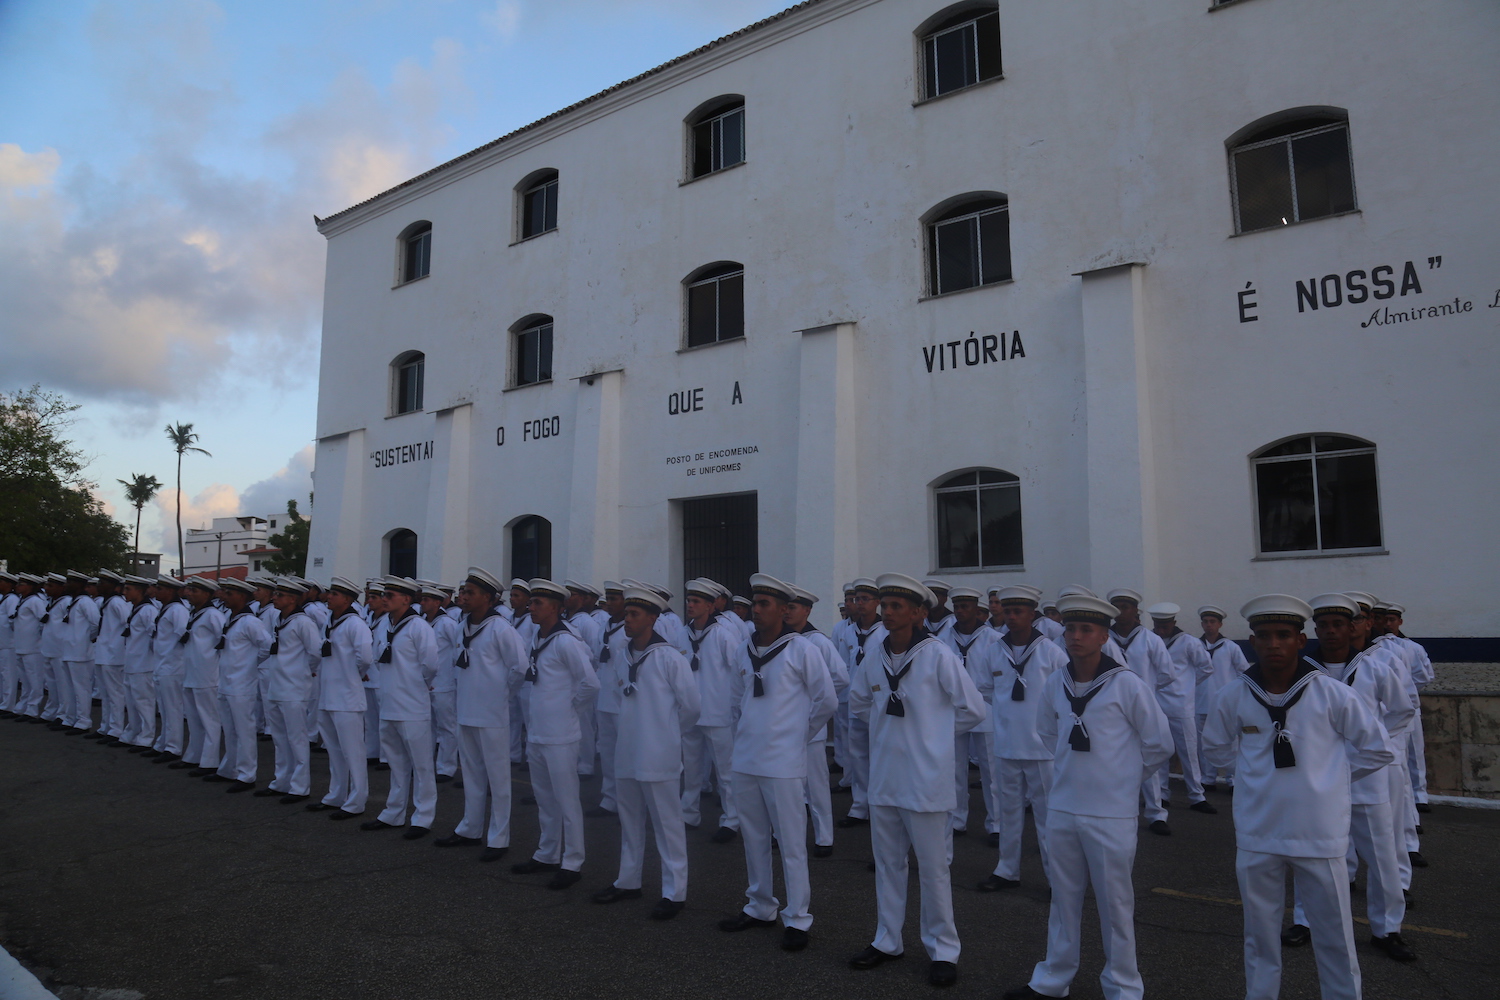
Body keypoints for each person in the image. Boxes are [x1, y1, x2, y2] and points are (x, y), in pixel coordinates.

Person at [1201, 595, 1394, 1000]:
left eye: (1284, 635)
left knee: (1334, 936)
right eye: (1265, 636)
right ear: (1252, 642)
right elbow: (1215, 751)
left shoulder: (1331, 693)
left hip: (1318, 832)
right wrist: (1255, 778)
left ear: (1301, 641)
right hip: (1258, 832)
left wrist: (1333, 779)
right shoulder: (1233, 695)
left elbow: (1377, 748)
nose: (1274, 644)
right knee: (1259, 937)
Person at [1003, 594, 1172, 1000]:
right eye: (1070, 629)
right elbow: (1047, 734)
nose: (1076, 637)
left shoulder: (1126, 684)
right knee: (1063, 900)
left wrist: (1123, 780)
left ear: (1103, 637)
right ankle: (1052, 980)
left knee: (1115, 906)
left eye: (1086, 630)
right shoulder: (1056, 682)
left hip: (1110, 812)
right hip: (1064, 805)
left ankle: (1123, 988)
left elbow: (1159, 744)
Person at [848, 574, 984, 988]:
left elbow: (973, 709)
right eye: (884, 605)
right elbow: (857, 703)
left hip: (926, 780)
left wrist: (934, 736)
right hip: (886, 777)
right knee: (888, 865)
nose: (887, 612)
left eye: (895, 606)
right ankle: (887, 939)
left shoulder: (936, 654)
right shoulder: (875, 652)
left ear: (919, 612)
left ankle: (943, 950)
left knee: (932, 868)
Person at [1283, 594, 1416, 963]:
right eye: (1323, 625)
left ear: (1354, 627)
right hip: (1318, 781)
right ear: (1314, 631)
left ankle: (1386, 929)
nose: (1330, 631)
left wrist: (1372, 743)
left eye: (1338, 624)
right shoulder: (1301, 672)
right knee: (1312, 852)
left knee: (1381, 856)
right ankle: (1305, 921)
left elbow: (1403, 709)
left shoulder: (1374, 668)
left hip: (1367, 778)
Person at [717, 574, 836, 953]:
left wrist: (797, 735)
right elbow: (736, 700)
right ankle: (760, 905)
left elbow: (827, 701)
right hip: (747, 758)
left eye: (765, 603)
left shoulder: (802, 649)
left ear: (785, 610)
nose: (756, 608)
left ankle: (797, 917)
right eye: (755, 602)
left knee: (790, 843)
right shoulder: (743, 648)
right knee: (753, 838)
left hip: (783, 762)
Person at [592, 585, 700, 918]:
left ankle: (675, 891)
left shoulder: (669, 657)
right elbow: (618, 694)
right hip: (627, 751)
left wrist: (667, 734)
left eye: (635, 614)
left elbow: (692, 708)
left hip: (658, 754)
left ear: (652, 618)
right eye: (626, 613)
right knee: (630, 820)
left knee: (667, 824)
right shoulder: (623, 652)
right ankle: (628, 881)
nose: (627, 619)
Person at [976, 585, 1068, 891]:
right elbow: (986, 690)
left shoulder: (1051, 652)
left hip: (1041, 748)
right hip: (1006, 744)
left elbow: (1063, 696)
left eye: (1019, 612)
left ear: (1032, 615)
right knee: (1009, 811)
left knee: (1047, 816)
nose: (1012, 617)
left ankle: (1057, 877)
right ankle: (1007, 870)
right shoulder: (994, 651)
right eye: (1007, 611)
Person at [509, 578, 599, 888]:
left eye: (537, 603)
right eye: (531, 602)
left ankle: (573, 861)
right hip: (538, 732)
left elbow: (590, 683)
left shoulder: (565, 641)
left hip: (561, 734)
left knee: (567, 800)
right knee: (545, 799)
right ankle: (546, 853)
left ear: (557, 608)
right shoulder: (538, 635)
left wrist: (570, 708)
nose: (531, 608)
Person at [434, 567, 527, 859]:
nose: (463, 596)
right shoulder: (463, 625)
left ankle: (498, 839)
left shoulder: (501, 628)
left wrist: (501, 695)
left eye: (470, 593)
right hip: (466, 711)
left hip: (491, 714)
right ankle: (469, 829)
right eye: (463, 591)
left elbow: (519, 668)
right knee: (473, 775)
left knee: (498, 780)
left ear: (487, 597)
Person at [361, 576, 440, 838]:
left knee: (422, 765)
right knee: (396, 764)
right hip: (389, 703)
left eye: (391, 594)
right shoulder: (385, 624)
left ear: (407, 599)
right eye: (384, 594)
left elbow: (430, 665)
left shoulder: (419, 627)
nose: (384, 598)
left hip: (412, 705)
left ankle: (423, 817)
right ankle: (393, 813)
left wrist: (417, 686)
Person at [1105, 588, 1181, 836]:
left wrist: (1144, 692)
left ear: (1136, 610)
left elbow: (1167, 674)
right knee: (1112, 759)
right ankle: (1115, 807)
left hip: (1143, 708)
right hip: (1112, 707)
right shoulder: (1104, 638)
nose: (1120, 612)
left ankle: (1156, 813)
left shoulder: (1150, 639)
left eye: (1126, 606)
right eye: (1116, 607)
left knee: (1149, 758)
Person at [677, 578, 743, 841]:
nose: (690, 605)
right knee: (692, 770)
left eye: (696, 602)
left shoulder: (723, 635)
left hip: (718, 712)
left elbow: (739, 671)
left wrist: (735, 707)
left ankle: (731, 820)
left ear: (709, 606)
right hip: (690, 712)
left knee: (725, 772)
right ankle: (688, 814)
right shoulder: (682, 633)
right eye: (689, 601)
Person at [786, 584, 848, 858]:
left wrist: (816, 701)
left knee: (817, 785)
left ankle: (824, 836)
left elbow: (840, 678)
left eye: (793, 607)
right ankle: (783, 833)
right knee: (786, 786)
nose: (787, 612)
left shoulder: (818, 641)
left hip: (811, 725)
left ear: (807, 610)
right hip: (783, 727)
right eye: (785, 607)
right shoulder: (777, 639)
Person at [309, 577, 374, 819]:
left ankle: (357, 800)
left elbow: (365, 657)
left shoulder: (355, 624)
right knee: (334, 751)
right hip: (328, 694)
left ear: (347, 599)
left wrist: (353, 676)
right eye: (330, 593)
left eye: (334, 594)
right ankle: (336, 795)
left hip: (347, 697)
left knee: (353, 751)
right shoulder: (329, 621)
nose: (329, 597)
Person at [252, 578, 322, 803]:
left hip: (294, 687)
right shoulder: (280, 619)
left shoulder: (303, 622)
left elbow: (315, 653)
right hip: (277, 685)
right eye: (275, 594)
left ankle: (300, 787)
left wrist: (303, 672)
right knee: (280, 738)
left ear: (293, 598)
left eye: (279, 595)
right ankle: (281, 781)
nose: (274, 598)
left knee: (297, 738)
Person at [937, 586, 998, 841]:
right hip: (954, 708)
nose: (961, 611)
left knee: (991, 771)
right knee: (954, 768)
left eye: (966, 607)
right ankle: (957, 818)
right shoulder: (944, 637)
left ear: (977, 609)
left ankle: (996, 823)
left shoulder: (993, 638)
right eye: (957, 607)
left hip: (986, 708)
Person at [1145, 602, 1216, 815]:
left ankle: (1197, 795)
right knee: (1160, 750)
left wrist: (1187, 686)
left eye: (1165, 625)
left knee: (1188, 751)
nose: (1161, 628)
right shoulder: (1150, 640)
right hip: (1155, 702)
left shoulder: (1188, 642)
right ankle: (1162, 795)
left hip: (1181, 705)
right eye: (1157, 624)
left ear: (1174, 623)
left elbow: (1206, 667)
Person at [209, 578, 271, 792]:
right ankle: (229, 769)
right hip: (226, 681)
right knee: (230, 728)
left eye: (229, 593)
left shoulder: (250, 622)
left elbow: (267, 646)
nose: (224, 596)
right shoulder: (230, 617)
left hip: (242, 683)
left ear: (242, 596)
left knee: (244, 730)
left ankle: (246, 774)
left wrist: (250, 665)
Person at [834, 578, 884, 828]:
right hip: (856, 701)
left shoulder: (885, 630)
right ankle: (859, 805)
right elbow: (843, 666)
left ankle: (880, 803)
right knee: (858, 755)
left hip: (879, 703)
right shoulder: (847, 631)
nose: (859, 604)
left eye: (865, 599)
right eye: (856, 599)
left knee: (880, 755)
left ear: (877, 603)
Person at [1196, 605, 1250, 791]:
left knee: (1230, 742)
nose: (1209, 625)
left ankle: (1233, 779)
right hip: (1200, 702)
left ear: (1220, 624)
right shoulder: (1195, 646)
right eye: (1205, 622)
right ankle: (1208, 778)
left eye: (1212, 622)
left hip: (1225, 704)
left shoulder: (1230, 647)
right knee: (1203, 744)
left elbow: (1244, 672)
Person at [586, 581, 627, 818]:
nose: (610, 604)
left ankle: (628, 803)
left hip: (622, 699)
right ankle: (610, 798)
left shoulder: (629, 628)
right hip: (605, 695)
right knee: (609, 753)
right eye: (608, 599)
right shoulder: (605, 626)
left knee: (626, 753)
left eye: (615, 599)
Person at [180, 577, 227, 776]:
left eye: (195, 591)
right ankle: (194, 756)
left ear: (207, 594)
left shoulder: (213, 615)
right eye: (189, 589)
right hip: (192, 671)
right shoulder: (196, 613)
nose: (189, 593)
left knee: (209, 719)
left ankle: (209, 761)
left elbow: (222, 641)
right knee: (193, 718)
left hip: (207, 674)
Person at [421, 584, 462, 783]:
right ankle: (427, 766)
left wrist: (455, 677)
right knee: (427, 726)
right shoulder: (422, 622)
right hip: (425, 682)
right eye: (422, 599)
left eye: (427, 600)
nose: (423, 603)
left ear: (438, 602)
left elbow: (458, 650)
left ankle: (446, 767)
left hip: (444, 682)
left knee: (447, 726)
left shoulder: (447, 623)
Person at [151, 575, 190, 765]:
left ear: (171, 591)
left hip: (173, 665)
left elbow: (184, 635)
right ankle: (163, 743)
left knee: (173, 708)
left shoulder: (177, 610)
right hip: (162, 664)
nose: (156, 591)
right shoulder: (166, 609)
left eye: (160, 588)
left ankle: (173, 747)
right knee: (164, 708)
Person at [118, 576, 160, 752]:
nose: (124, 592)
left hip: (143, 664)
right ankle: (132, 733)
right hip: (132, 662)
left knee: (144, 702)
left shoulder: (148, 611)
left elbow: (154, 636)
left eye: (128, 589)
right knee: (132, 702)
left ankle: (146, 737)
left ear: (139, 591)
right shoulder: (136, 608)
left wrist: (148, 657)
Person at [59, 570, 102, 734]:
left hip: (80, 652)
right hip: (69, 651)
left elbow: (96, 624)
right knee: (69, 688)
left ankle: (84, 721)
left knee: (81, 689)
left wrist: (86, 640)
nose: (66, 585)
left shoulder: (86, 602)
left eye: (70, 582)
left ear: (79, 585)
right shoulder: (75, 601)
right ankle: (70, 718)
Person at [92, 570, 130, 744]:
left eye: (103, 582)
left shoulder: (117, 602)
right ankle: (105, 726)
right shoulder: (108, 602)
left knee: (115, 694)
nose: (99, 585)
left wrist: (118, 646)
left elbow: (127, 623)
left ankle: (116, 729)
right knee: (106, 694)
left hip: (113, 655)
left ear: (114, 586)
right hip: (103, 653)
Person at [11, 575, 48, 721]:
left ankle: (32, 709)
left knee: (35, 680)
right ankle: (22, 707)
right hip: (21, 645)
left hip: (33, 646)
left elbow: (44, 620)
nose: (18, 586)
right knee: (25, 680)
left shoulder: (35, 601)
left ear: (30, 586)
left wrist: (37, 638)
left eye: (22, 584)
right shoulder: (23, 600)